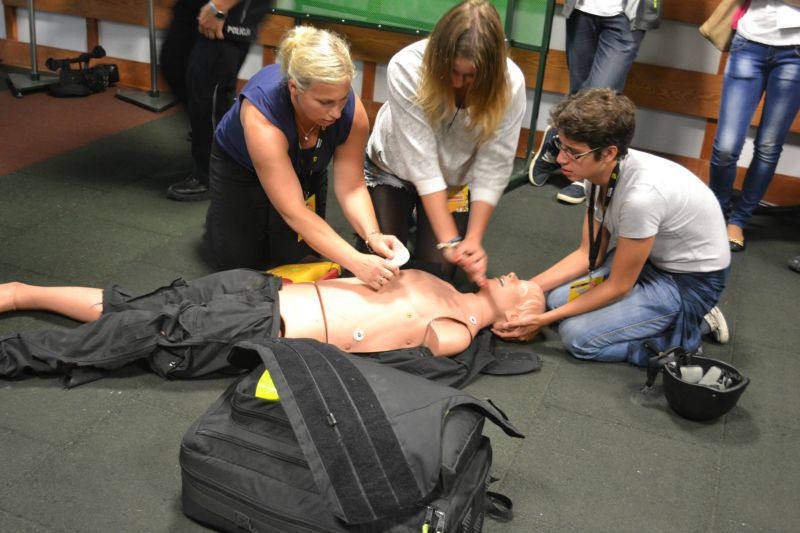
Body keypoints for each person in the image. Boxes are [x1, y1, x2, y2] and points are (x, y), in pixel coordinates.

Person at [494, 89, 731, 366]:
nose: (560, 160)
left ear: (609, 153)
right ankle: (660, 320)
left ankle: (689, 329)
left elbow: (619, 285)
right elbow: (588, 254)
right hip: (652, 260)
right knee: (556, 299)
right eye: (561, 145)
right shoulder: (596, 171)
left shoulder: (641, 198)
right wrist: (525, 288)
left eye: (573, 152)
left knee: (576, 337)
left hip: (689, 283)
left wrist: (542, 320)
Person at [0, 269, 544, 384]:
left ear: (515, 320)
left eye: (524, 289)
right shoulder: (443, 282)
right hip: (265, 288)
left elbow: (401, 362)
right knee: (140, 304)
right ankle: (23, 292)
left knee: (141, 330)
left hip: (267, 322)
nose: (517, 277)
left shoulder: (455, 331)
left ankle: (13, 354)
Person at [205, 26, 403, 291]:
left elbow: (352, 187)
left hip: (307, 166)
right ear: (293, 88)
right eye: (325, 102)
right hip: (241, 166)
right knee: (242, 267)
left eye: (342, 99)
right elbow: (295, 212)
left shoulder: (351, 113)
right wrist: (357, 262)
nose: (336, 113)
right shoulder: (262, 116)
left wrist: (373, 235)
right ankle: (220, 217)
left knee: (298, 259)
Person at [362, 0, 527, 286]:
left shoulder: (510, 83)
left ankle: (424, 225)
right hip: (393, 167)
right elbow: (422, 162)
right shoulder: (407, 66)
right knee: (387, 264)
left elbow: (495, 164)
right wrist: (449, 240)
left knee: (436, 276)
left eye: (470, 76)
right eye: (451, 71)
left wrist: (472, 240)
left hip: (454, 179)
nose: (458, 82)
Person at [529, 0, 661, 205]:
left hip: (626, 17)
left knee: (600, 98)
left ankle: (582, 173)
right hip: (582, 9)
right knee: (578, 93)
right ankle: (559, 142)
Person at [708, 0, 800, 253]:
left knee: (768, 146)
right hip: (749, 42)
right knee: (726, 146)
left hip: (795, 53)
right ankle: (715, 213)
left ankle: (738, 221)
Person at [160, 0, 272, 201]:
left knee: (209, 81)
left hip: (232, 8)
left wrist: (219, 7)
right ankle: (216, 137)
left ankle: (213, 172)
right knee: (174, 63)